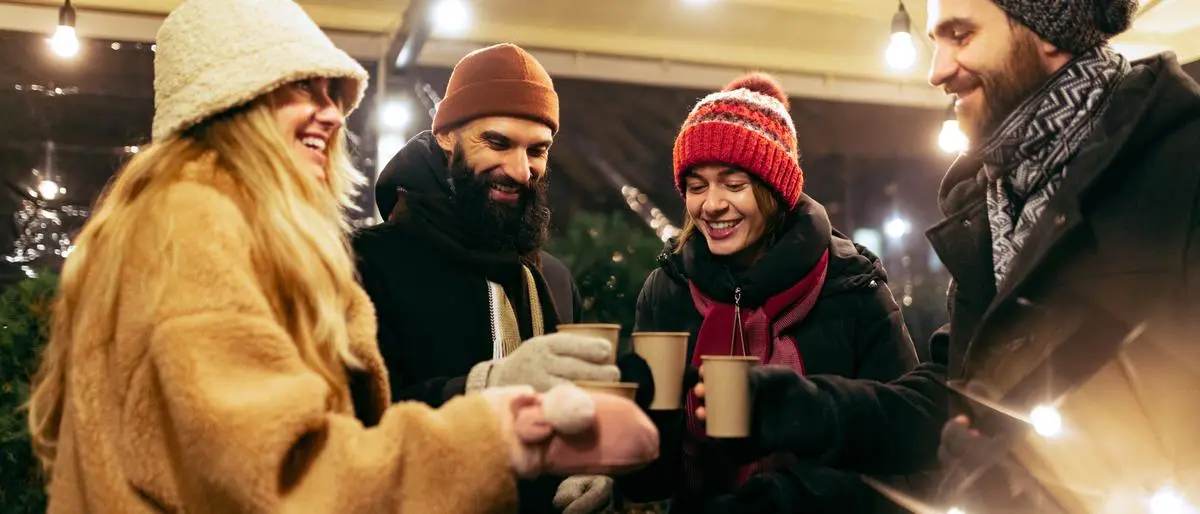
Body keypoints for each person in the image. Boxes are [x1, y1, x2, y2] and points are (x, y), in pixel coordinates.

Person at [24, 1, 658, 512]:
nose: (331, 112)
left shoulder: (196, 224)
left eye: (333, 90)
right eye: (301, 88)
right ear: (225, 103)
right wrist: (504, 432)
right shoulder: (198, 225)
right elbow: (283, 479)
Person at [694, 0, 1200, 511]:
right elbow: (953, 397)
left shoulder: (1184, 161)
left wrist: (1044, 460)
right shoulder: (993, 197)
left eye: (960, 35)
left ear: (1050, 29)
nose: (936, 71)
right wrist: (796, 409)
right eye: (935, 40)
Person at [616, 72, 925, 513]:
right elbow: (649, 483)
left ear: (774, 189)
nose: (712, 204)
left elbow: (904, 448)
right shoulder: (668, 290)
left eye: (734, 184)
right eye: (696, 186)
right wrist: (639, 431)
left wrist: (784, 499)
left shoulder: (851, 287)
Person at [352, 43, 619, 514]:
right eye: (497, 143)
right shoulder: (366, 264)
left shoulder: (551, 279)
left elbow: (573, 409)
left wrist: (589, 460)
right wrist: (482, 389)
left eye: (537, 150)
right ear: (447, 136)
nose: (520, 171)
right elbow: (356, 423)